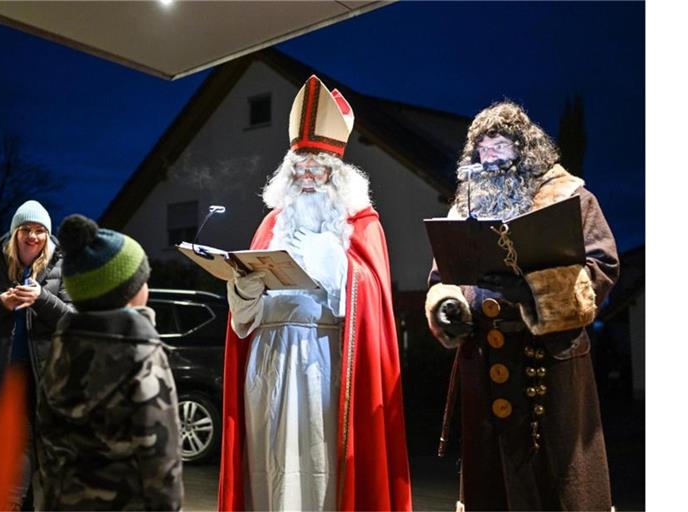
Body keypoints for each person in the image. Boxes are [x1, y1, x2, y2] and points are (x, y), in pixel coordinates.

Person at [218, 75, 412, 511]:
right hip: (267, 362)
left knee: (315, 459)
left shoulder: (359, 225)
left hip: (320, 360)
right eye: (300, 166)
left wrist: (337, 264)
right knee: (267, 462)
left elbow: (374, 301)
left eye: (317, 166)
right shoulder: (271, 224)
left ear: (335, 173)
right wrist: (243, 290)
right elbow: (243, 318)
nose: (307, 176)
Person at [424, 101, 619, 511]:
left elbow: (602, 267)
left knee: (557, 481)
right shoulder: (464, 209)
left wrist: (533, 292)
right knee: (492, 485)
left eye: (500, 145)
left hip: (548, 360)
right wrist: (449, 307)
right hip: (486, 361)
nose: (490, 156)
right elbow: (443, 278)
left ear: (523, 148)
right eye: (483, 148)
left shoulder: (570, 197)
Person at [34, 214, 183, 511]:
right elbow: (160, 453)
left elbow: (46, 437)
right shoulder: (142, 352)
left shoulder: (61, 346)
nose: (148, 287)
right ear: (127, 293)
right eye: (144, 280)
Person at [0, 199, 73, 510]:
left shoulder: (63, 266)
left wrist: (42, 298)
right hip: (1, 371)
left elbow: (73, 321)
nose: (33, 236)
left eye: (40, 230)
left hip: (45, 375)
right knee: (10, 444)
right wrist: (0, 302)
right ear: (15, 234)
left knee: (41, 449)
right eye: (26, 230)